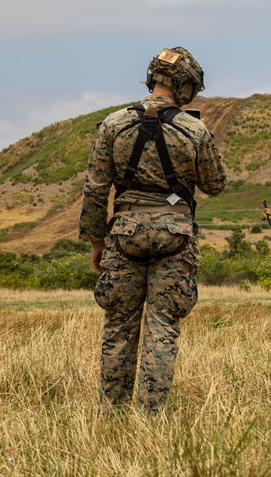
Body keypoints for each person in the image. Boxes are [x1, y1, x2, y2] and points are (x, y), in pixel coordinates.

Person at [79, 46, 228, 412]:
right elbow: (215, 184)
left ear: (152, 78)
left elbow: (95, 189)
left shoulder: (112, 125)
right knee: (162, 328)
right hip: (174, 235)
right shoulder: (194, 129)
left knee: (119, 328)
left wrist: (97, 242)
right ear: (184, 86)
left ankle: (111, 415)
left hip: (124, 234)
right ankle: (150, 417)